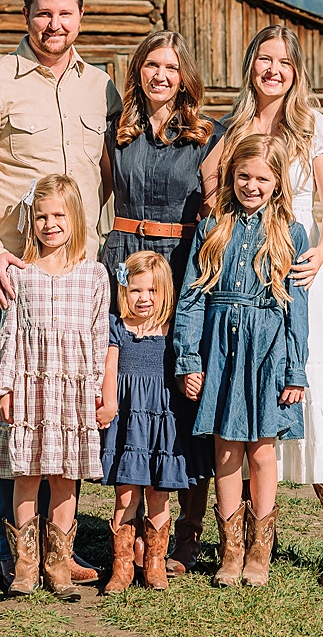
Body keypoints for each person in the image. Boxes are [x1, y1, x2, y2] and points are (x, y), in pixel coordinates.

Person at [0, 0, 121, 587]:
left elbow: (111, 172)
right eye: (44, 13)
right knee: (10, 403)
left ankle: (59, 547)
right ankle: (9, 544)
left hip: (79, 279)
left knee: (73, 402)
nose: (56, 25)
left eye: (66, 14)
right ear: (26, 17)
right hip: (15, 276)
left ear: (81, 19)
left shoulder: (101, 88)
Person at [204, 24, 323, 587]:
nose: (273, 69)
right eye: (263, 59)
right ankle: (238, 544)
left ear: (296, 71)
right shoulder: (232, 127)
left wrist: (318, 253)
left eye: (284, 62)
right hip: (236, 283)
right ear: (250, 65)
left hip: (294, 276)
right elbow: (210, 191)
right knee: (241, 401)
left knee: (310, 394)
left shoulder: (313, 127)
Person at [98, 30, 221, 574]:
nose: (161, 76)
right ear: (138, 71)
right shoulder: (117, 131)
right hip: (123, 256)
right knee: (119, 377)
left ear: (184, 77)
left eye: (171, 67)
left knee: (181, 391)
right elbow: (96, 194)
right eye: (152, 65)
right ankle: (125, 534)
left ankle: (181, 535)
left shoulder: (205, 135)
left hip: (180, 259)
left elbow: (219, 211)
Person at [174, 134, 309, 588]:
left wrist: (295, 368)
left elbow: (297, 307)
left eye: (262, 178)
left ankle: (258, 550)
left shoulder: (290, 231)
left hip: (267, 350)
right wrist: (188, 359)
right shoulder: (215, 224)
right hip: (219, 348)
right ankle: (229, 550)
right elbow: (192, 296)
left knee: (262, 452)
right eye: (244, 176)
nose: (252, 185)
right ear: (231, 177)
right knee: (226, 449)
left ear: (277, 182)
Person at [0, 174, 110, 599]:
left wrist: (95, 390)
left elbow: (97, 337)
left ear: (75, 218)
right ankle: (25, 564)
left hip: (71, 393)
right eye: (41, 216)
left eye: (58, 215)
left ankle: (59, 564)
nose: (49, 223)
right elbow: (9, 336)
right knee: (27, 473)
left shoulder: (93, 275)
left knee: (63, 477)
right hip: (30, 388)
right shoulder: (23, 275)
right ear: (30, 221)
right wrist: (5, 388)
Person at [98, 250, 195, 594]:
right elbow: (109, 368)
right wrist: (109, 403)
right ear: (124, 290)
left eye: (152, 291)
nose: (144, 298)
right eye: (137, 290)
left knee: (158, 495)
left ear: (165, 292)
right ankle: (122, 566)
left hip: (162, 422)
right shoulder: (117, 328)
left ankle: (155, 562)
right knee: (126, 496)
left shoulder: (171, 332)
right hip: (127, 419)